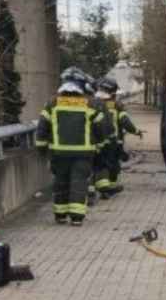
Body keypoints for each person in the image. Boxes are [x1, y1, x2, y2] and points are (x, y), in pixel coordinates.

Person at [34, 79, 110, 225]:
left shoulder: (52, 104)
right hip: (84, 153)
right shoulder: (90, 104)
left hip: (59, 153)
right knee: (79, 182)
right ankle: (76, 217)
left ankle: (60, 215)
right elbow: (100, 127)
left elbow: (42, 128)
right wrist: (100, 145)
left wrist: (42, 148)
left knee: (61, 181)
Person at [92, 77, 141, 198]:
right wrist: (136, 131)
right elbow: (125, 122)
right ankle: (109, 189)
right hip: (114, 141)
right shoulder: (117, 105)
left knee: (97, 164)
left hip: (96, 141)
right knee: (113, 166)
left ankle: (95, 189)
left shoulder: (93, 103)